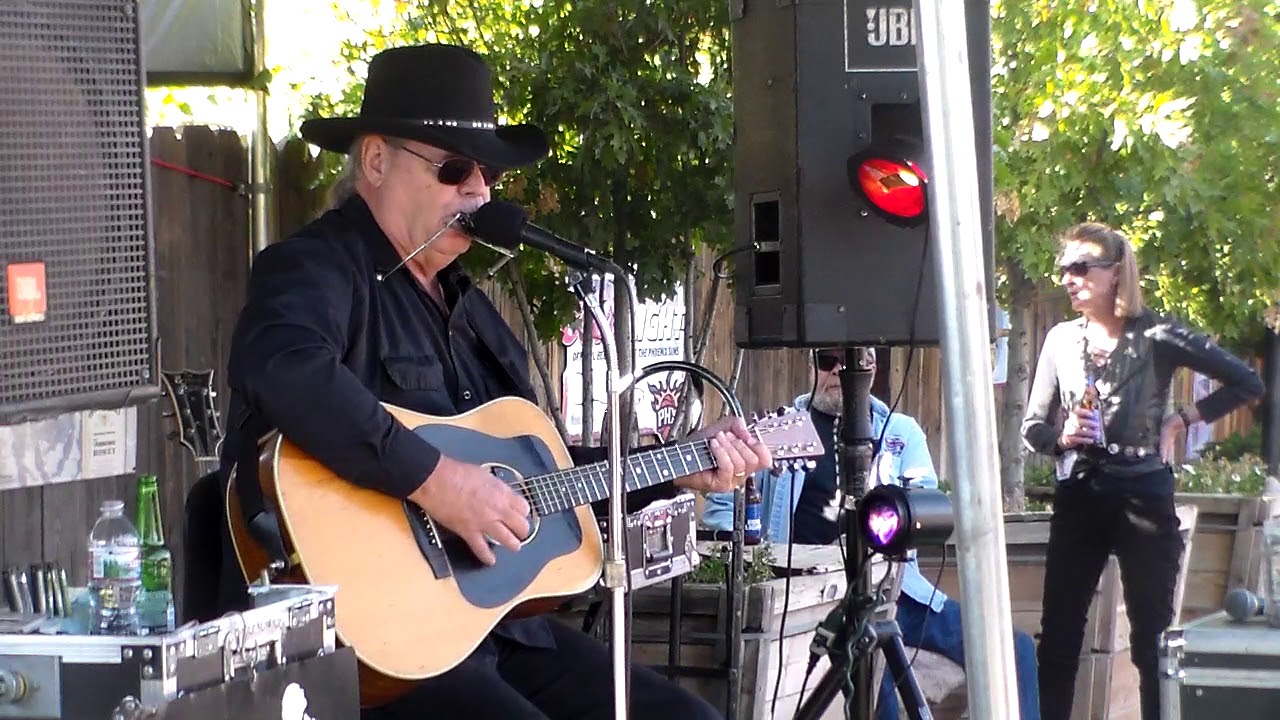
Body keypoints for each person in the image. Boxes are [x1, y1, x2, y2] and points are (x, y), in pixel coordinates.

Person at [213, 44, 772, 720]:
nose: (478, 193)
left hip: (495, 631)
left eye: (487, 175)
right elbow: (286, 371)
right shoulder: (315, 268)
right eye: (454, 170)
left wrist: (675, 466)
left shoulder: (472, 313)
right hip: (367, 648)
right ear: (376, 160)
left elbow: (541, 477)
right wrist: (436, 481)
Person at [702, 348, 1041, 720]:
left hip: (890, 591)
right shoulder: (777, 429)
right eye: (827, 363)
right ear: (811, 366)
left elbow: (925, 508)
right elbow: (722, 510)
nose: (838, 373)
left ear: (871, 367)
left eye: (850, 364)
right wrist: (754, 555)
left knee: (1016, 647)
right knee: (867, 666)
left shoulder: (900, 431)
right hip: (807, 595)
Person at [1022, 222, 1264, 720]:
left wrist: (1182, 419)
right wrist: (1063, 437)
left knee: (1151, 638)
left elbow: (1246, 381)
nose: (1068, 278)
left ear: (1114, 274)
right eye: (1063, 268)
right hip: (1081, 491)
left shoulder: (1157, 334)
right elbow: (1031, 427)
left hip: (1144, 494)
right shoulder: (1061, 340)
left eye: (1080, 267)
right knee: (1060, 635)